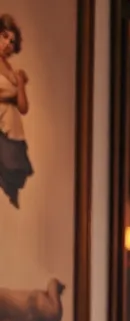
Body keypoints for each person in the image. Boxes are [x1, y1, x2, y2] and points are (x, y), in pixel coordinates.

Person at [0, 14, 31, 208]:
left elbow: (23, 107)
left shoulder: (12, 70)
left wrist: (20, 85)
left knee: (17, 164)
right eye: (4, 36)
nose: (7, 44)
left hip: (13, 124)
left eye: (12, 41)